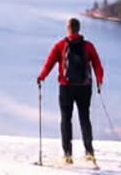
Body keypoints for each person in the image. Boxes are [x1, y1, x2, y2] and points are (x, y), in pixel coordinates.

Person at [37, 17, 104, 165]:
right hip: (84, 87)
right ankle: (89, 152)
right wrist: (99, 80)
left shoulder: (60, 45)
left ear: (68, 29)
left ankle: (67, 154)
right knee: (84, 119)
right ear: (79, 29)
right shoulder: (88, 46)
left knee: (66, 120)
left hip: (66, 87)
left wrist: (41, 77)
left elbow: (49, 63)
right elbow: (98, 65)